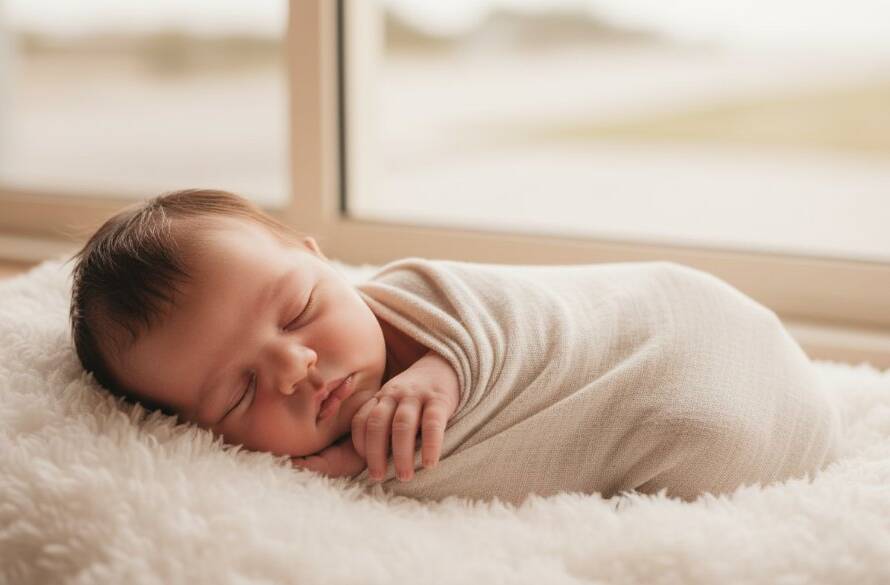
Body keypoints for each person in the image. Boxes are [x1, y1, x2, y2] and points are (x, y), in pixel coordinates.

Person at [69, 189, 842, 504]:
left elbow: (539, 316)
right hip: (694, 445)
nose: (294, 368)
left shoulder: (421, 297)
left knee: (699, 414)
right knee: (696, 439)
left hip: (691, 327)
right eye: (238, 394)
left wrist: (445, 369)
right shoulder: (302, 476)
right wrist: (362, 471)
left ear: (324, 260)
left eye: (301, 308)